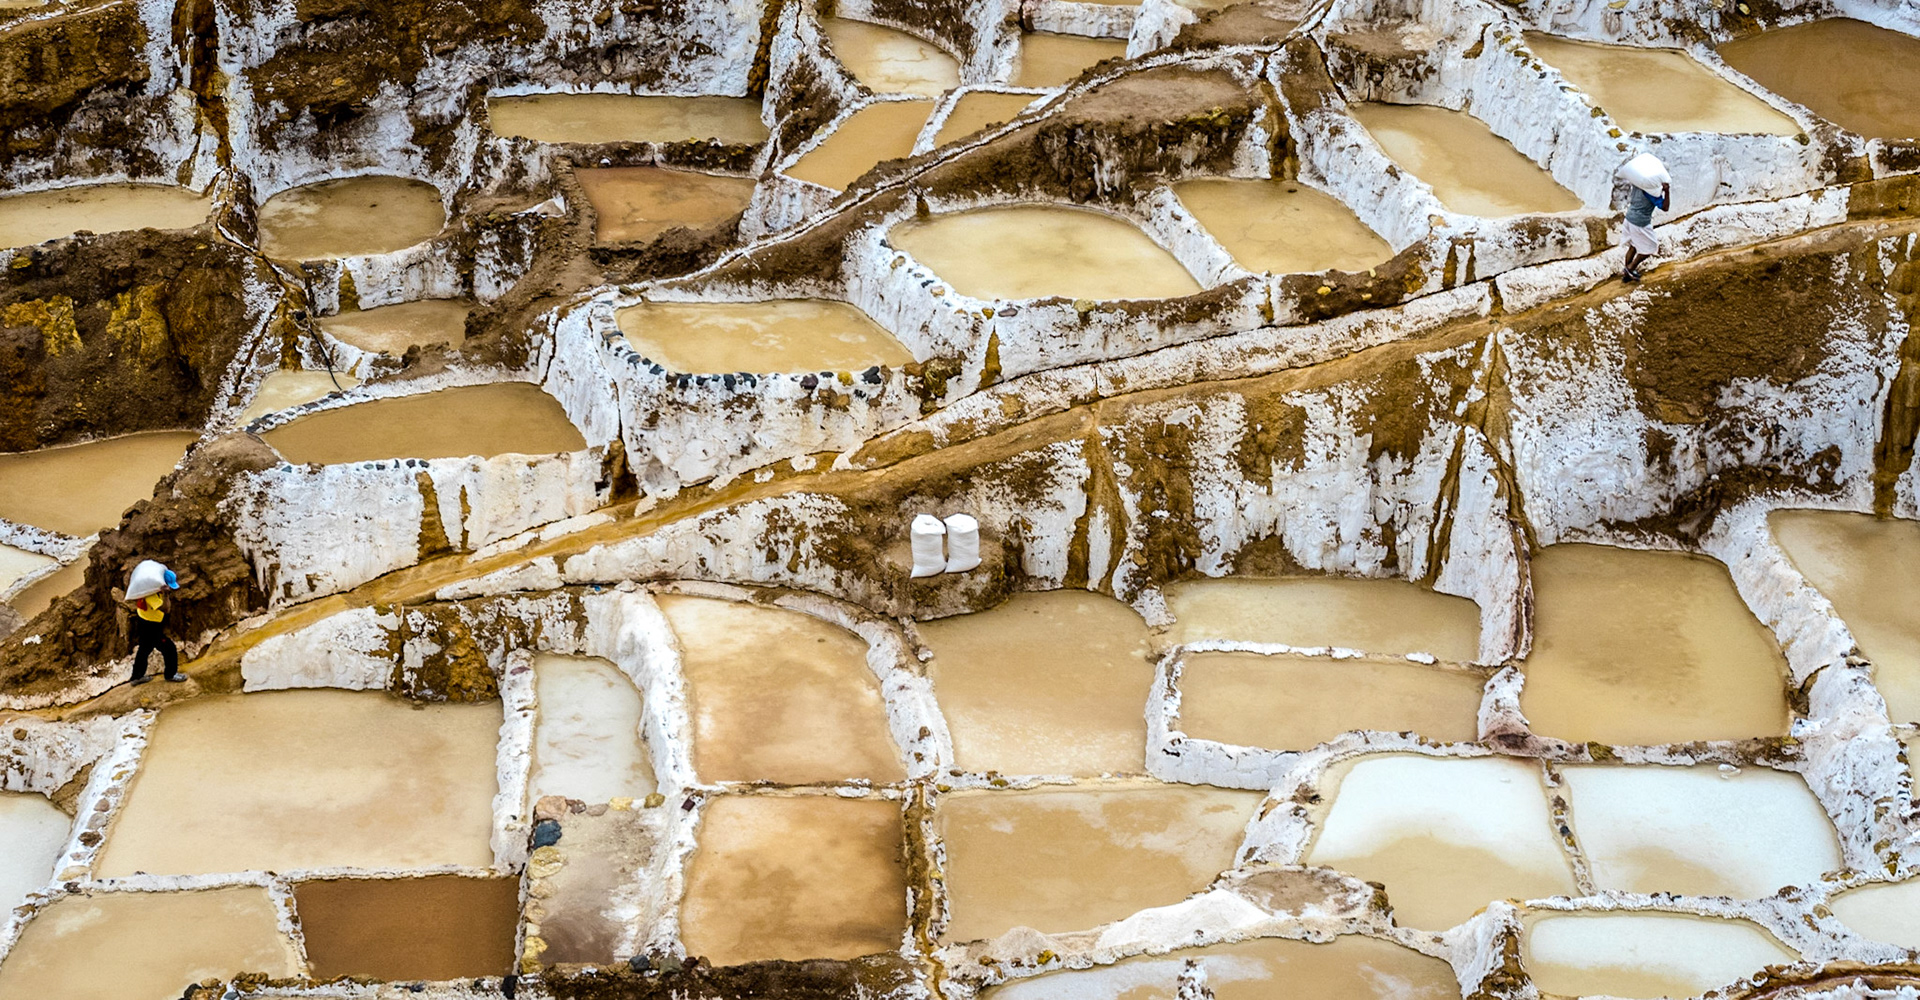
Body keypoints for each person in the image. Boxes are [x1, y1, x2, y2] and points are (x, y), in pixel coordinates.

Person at [124, 560, 184, 685]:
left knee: (144, 650)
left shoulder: (155, 590)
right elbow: (166, 609)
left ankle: (136, 677)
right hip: (151, 626)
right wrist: (166, 595)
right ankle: (171, 674)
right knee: (169, 648)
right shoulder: (151, 595)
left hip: (146, 621)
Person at [1622, 179, 1669, 283]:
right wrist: (1667, 191)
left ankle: (1627, 275)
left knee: (1633, 246)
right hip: (1640, 222)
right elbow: (1665, 207)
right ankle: (1630, 268)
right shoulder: (1651, 191)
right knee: (1651, 247)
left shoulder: (1637, 182)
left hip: (1629, 218)